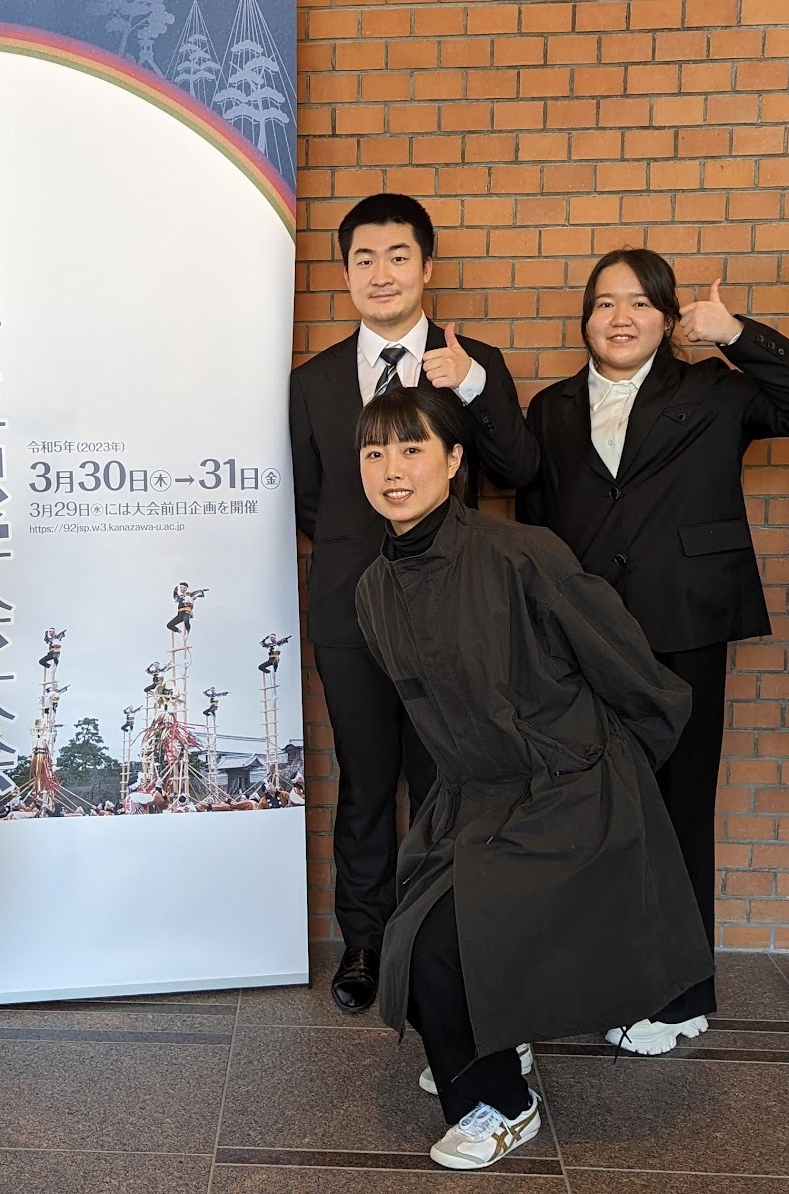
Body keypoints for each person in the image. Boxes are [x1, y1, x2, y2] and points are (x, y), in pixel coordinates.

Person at [351, 385, 709, 1171]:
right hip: (473, 799)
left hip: (570, 788)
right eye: (375, 453)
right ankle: (494, 1041)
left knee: (444, 945)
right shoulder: (374, 591)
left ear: (454, 459)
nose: (392, 470)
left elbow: (631, 672)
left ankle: (502, 1109)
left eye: (412, 448)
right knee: (406, 936)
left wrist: (614, 778)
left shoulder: (520, 553)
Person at [517, 248, 789, 1054]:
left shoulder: (715, 390)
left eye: (639, 303)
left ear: (667, 318)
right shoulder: (552, 408)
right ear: (585, 319)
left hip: (684, 625)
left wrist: (734, 333)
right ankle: (604, 977)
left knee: (679, 804)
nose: (619, 318)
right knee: (594, 808)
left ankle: (681, 995)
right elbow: (533, 522)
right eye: (604, 303)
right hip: (585, 636)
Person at [289, 192, 542, 1014]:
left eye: (398, 256)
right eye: (363, 259)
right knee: (365, 780)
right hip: (350, 614)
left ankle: (441, 936)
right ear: (346, 273)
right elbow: (312, 501)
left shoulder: (472, 363)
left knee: (449, 776)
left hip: (453, 610)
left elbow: (519, 469)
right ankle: (365, 943)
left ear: (427, 267)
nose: (381, 274)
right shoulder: (313, 382)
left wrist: (473, 385)